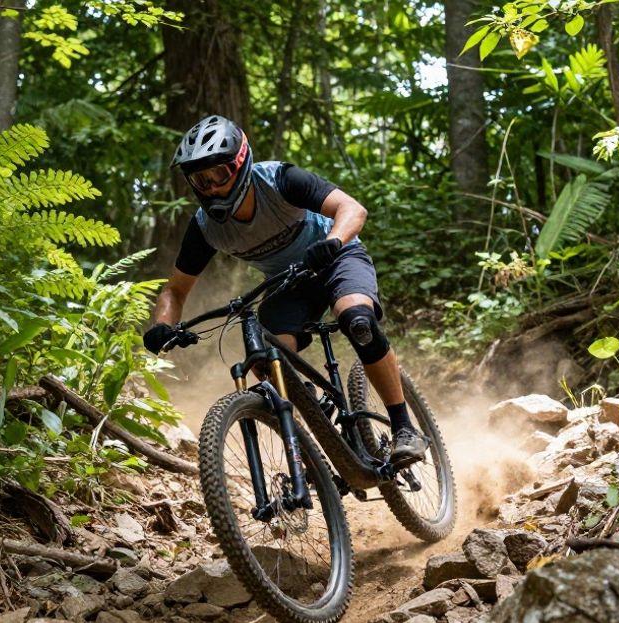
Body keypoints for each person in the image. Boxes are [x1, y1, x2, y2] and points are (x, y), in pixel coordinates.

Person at [142, 114, 427, 466]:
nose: (211, 187)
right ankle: (314, 429)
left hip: (338, 256)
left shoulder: (280, 180)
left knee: (357, 320)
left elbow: (352, 208)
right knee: (267, 360)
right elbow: (175, 292)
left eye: (219, 174)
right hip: (289, 282)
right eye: (201, 179)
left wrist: (333, 240)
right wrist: (162, 327)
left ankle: (405, 428)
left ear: (241, 163)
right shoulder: (204, 230)